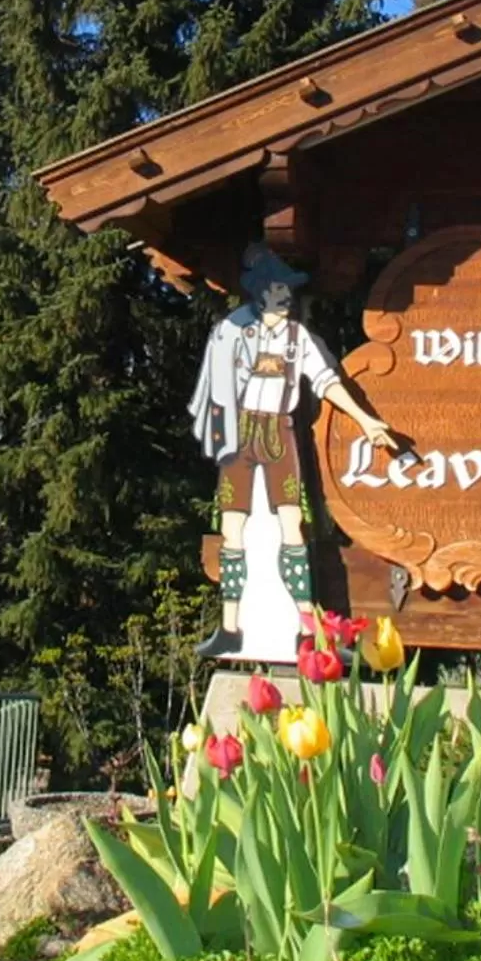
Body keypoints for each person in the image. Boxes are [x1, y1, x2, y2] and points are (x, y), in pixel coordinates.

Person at [189, 243, 397, 658]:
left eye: (288, 291)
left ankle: (309, 628)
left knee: (292, 525)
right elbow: (215, 389)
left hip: (279, 431)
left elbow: (326, 381)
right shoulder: (234, 332)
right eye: (280, 290)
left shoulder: (297, 338)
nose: (287, 298)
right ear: (262, 292)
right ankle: (231, 627)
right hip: (241, 432)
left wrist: (366, 419)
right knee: (234, 528)